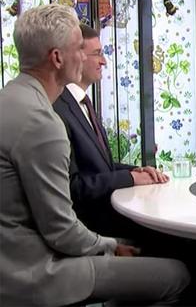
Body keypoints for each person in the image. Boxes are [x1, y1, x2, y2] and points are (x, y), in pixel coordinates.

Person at [0, 4, 189, 306]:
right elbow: (61, 231)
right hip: (33, 272)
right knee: (176, 273)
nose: (90, 57)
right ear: (57, 58)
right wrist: (111, 247)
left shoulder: (9, 97)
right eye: (79, 48)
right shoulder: (41, 121)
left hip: (15, 259)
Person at [53, 24, 167, 237]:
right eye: (97, 54)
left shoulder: (82, 103)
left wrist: (137, 171)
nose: (104, 61)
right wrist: (129, 178)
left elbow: (99, 167)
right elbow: (73, 186)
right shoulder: (58, 109)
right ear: (75, 56)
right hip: (93, 228)